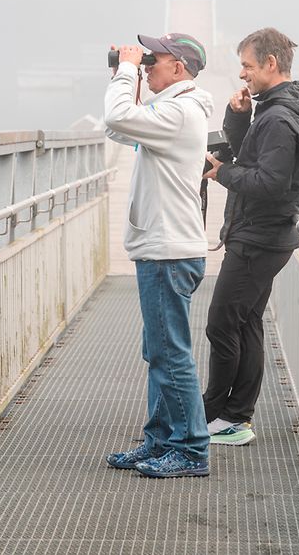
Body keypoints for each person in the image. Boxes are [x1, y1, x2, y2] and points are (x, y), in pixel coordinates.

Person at [202, 27, 299, 446]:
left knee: (222, 323)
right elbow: (256, 156)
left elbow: (270, 182)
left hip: (259, 236)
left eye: (247, 66)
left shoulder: (278, 116)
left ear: (270, 64)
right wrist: (238, 118)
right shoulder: (278, 109)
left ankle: (219, 415)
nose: (243, 75)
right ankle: (234, 417)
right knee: (245, 321)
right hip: (266, 233)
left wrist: (223, 174)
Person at [102, 32, 215, 478]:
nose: (147, 64)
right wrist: (123, 74)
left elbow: (116, 115)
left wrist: (127, 70)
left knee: (171, 354)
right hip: (161, 248)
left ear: (179, 68)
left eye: (155, 59)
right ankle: (160, 441)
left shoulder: (180, 112)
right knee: (160, 351)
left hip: (169, 251)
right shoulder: (168, 110)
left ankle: (190, 450)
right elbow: (116, 125)